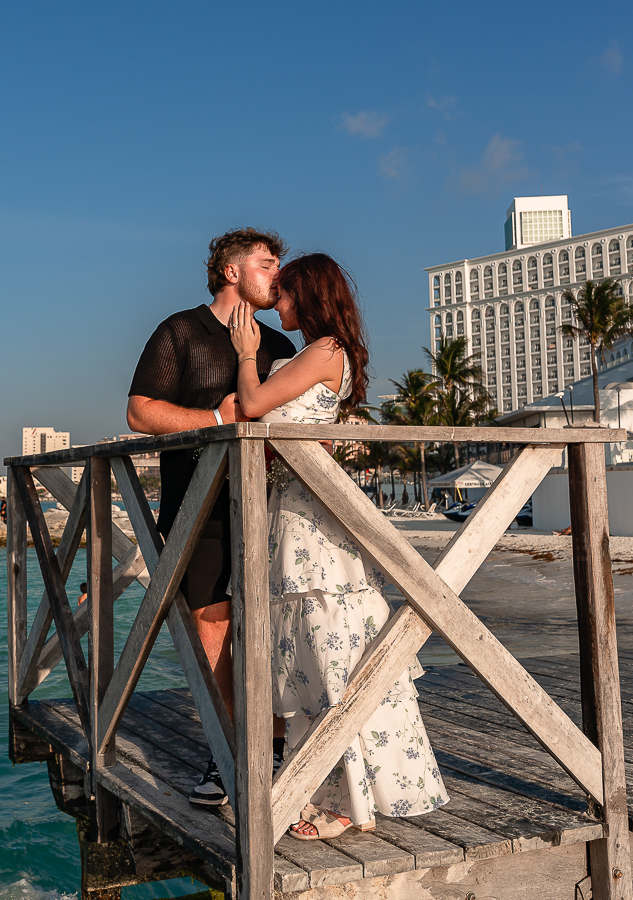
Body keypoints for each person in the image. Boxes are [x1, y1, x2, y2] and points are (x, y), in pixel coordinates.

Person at [229, 252, 448, 839]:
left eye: (287, 292)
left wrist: (247, 355)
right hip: (293, 512)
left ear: (311, 296)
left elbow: (251, 407)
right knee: (310, 650)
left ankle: (352, 801)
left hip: (308, 518)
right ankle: (321, 788)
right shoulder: (319, 353)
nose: (278, 301)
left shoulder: (324, 352)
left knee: (329, 648)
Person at [127, 228, 297, 807]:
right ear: (231, 271)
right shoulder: (179, 330)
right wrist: (212, 421)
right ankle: (227, 753)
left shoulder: (280, 347)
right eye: (268, 263)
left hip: (271, 507)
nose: (279, 273)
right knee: (213, 632)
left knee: (272, 630)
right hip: (198, 508)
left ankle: (273, 748)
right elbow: (140, 412)